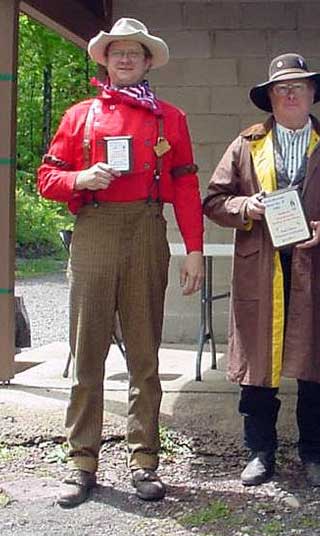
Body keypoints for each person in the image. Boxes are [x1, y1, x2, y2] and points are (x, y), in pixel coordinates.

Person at [37, 18, 204, 507]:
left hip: (147, 229)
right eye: (117, 52)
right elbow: (47, 177)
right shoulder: (81, 116)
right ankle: (81, 461)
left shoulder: (170, 118)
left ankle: (144, 459)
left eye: (135, 52)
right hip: (94, 228)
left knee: (145, 352)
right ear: (105, 60)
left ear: (148, 60)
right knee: (86, 350)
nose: (126, 59)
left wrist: (193, 247)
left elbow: (188, 186)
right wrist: (80, 179)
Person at [203, 53, 320, 488]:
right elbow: (214, 200)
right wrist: (246, 206)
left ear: (314, 93)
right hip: (261, 269)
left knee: (314, 365)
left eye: (299, 86)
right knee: (260, 365)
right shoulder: (246, 143)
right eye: (282, 88)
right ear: (270, 98)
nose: (291, 94)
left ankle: (315, 454)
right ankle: (260, 452)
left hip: (315, 263)